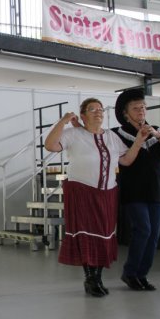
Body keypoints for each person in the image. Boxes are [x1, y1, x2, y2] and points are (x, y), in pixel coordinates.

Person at [44, 98, 149, 297]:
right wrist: (63, 121)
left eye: (100, 110)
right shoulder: (73, 134)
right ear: (82, 116)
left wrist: (138, 141)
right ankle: (91, 278)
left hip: (107, 192)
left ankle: (97, 277)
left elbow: (126, 160)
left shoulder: (110, 136)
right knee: (86, 235)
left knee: (103, 235)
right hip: (82, 190)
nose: (98, 112)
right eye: (92, 109)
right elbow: (50, 145)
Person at [112, 89, 160, 291]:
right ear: (125, 112)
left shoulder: (155, 130)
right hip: (133, 191)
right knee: (143, 230)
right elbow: (125, 161)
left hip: (155, 190)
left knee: (154, 235)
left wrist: (157, 134)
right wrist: (140, 139)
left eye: (143, 107)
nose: (141, 110)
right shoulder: (117, 134)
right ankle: (130, 273)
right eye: (135, 108)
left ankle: (142, 274)